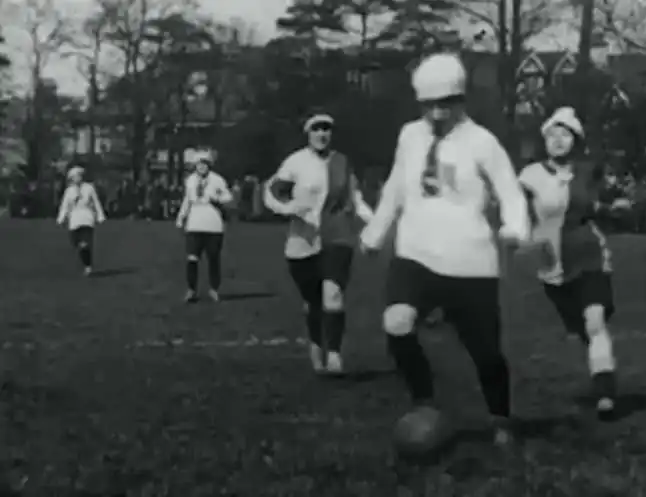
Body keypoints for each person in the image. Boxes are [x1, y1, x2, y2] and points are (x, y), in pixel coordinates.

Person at [360, 53, 530, 446]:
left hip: (469, 262)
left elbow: (511, 192)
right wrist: (376, 230)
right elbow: (396, 187)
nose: (436, 114)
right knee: (397, 322)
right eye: (428, 106)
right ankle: (424, 403)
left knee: (485, 353)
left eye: (445, 105)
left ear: (461, 100)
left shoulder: (482, 143)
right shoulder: (409, 135)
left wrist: (514, 228)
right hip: (415, 252)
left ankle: (501, 419)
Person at [517, 107, 618, 419]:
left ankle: (605, 393)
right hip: (552, 266)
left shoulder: (589, 172)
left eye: (565, 134)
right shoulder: (530, 175)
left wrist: (615, 206)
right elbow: (512, 211)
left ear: (576, 140)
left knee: (595, 321)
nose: (558, 140)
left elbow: (610, 201)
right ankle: (601, 367)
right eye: (552, 134)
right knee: (583, 331)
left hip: (590, 255)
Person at [263, 113, 374, 375]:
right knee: (313, 302)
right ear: (308, 133)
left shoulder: (342, 163)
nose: (322, 134)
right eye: (317, 129)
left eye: (327, 129)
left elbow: (356, 199)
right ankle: (316, 347)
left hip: (337, 237)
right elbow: (270, 193)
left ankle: (334, 354)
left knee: (333, 296)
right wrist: (289, 209)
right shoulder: (296, 162)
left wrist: (376, 223)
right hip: (302, 242)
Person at [176, 149, 233, 303]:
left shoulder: (217, 180)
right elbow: (187, 200)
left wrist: (216, 198)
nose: (201, 167)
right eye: (199, 164)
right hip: (194, 223)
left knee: (213, 258)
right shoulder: (190, 181)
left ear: (209, 165)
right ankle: (191, 290)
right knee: (192, 258)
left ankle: (214, 289)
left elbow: (228, 197)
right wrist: (181, 217)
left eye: (204, 164)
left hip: (213, 224)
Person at [56, 166, 106, 276]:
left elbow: (96, 202)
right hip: (74, 220)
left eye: (78, 176)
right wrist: (61, 218)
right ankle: (86, 261)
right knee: (76, 243)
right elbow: (65, 205)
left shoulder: (89, 188)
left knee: (85, 243)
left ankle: (88, 266)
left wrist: (100, 216)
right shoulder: (69, 191)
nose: (77, 179)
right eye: (74, 177)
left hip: (87, 218)